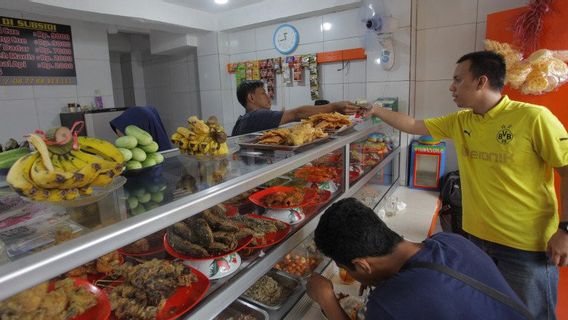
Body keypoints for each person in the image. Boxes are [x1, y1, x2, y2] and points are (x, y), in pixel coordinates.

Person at [366, 50, 568, 319]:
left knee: (532, 314)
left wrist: (565, 230)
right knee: (487, 311)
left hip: (524, 247)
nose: (452, 87)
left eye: (458, 80)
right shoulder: (461, 120)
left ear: (481, 81)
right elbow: (414, 125)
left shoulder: (533, 118)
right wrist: (374, 110)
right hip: (475, 243)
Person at [306, 198, 528, 320]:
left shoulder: (388, 304)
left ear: (363, 265)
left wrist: (327, 300)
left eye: (347, 269)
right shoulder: (451, 241)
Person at [231, 80, 359, 136]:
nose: (268, 96)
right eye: (263, 93)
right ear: (251, 98)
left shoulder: (244, 120)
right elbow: (297, 113)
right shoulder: (256, 116)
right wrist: (334, 107)